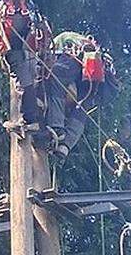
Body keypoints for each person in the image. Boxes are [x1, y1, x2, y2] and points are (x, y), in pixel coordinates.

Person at [40, 31, 117, 159]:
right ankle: (65, 145)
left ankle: (57, 128)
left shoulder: (64, 37)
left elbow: (54, 58)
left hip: (76, 61)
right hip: (95, 79)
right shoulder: (98, 54)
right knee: (81, 109)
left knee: (56, 83)